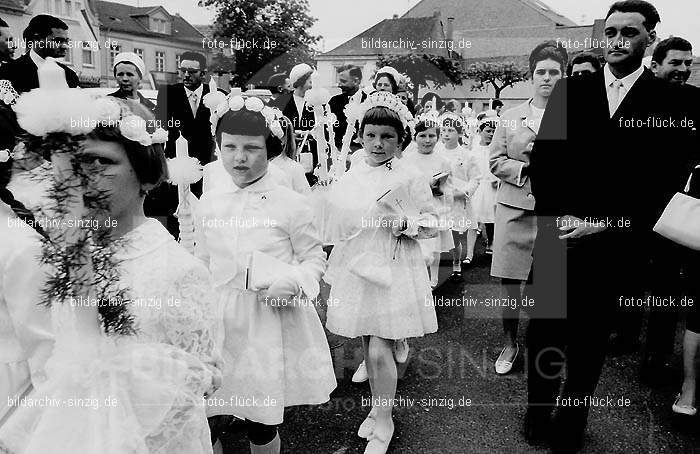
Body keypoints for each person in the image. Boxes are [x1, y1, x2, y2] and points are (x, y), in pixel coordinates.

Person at [0, 71, 221, 452]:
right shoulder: (64, 255)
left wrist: (113, 371)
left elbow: (200, 379)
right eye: (78, 162)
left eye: (102, 162)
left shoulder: (179, 270)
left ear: (146, 176)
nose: (85, 177)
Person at [526, 2, 695, 451]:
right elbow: (544, 161)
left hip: (614, 243)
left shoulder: (669, 101)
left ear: (650, 39)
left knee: (589, 338)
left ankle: (571, 421)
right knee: (545, 330)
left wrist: (605, 223)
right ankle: (538, 411)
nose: (618, 40)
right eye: (612, 31)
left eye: (630, 32)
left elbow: (667, 179)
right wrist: (561, 215)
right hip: (558, 232)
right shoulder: (570, 90)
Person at [195, 95, 336, 454]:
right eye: (229, 147)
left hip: (266, 318)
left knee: (260, 416)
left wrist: (294, 281)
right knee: (208, 413)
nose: (239, 157)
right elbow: (203, 259)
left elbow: (313, 258)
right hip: (220, 318)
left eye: (251, 148)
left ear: (269, 149)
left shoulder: (290, 203)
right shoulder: (209, 201)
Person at [323, 91, 438, 454]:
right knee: (363, 340)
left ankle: (385, 421)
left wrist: (403, 222)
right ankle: (378, 405)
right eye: (371, 135)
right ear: (359, 135)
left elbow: (433, 222)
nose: (377, 143)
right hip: (357, 263)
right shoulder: (353, 168)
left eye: (387, 136)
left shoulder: (410, 175)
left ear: (400, 138)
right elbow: (340, 215)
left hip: (395, 264)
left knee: (378, 349)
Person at [490, 40, 567, 376]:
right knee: (508, 283)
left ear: (563, 76)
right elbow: (494, 160)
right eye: (541, 72)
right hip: (513, 208)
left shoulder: (572, 116)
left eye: (554, 72)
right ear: (531, 76)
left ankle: (545, 344)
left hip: (553, 210)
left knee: (547, 283)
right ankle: (510, 342)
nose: (547, 78)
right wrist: (526, 168)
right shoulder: (510, 117)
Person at [639, 35, 700, 386]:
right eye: (676, 62)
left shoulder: (696, 101)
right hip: (635, 206)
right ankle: (626, 334)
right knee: (630, 277)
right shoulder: (639, 99)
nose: (683, 69)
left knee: (667, 286)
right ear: (656, 63)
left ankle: (657, 357)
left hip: (679, 212)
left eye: (688, 63)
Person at [152, 51, 217, 235]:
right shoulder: (167, 94)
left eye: (192, 71)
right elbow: (161, 130)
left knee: (205, 221)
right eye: (183, 70)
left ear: (203, 74)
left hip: (207, 168)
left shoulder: (216, 95)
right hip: (177, 168)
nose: (186, 75)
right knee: (179, 220)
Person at [403, 114, 454, 289]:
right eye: (422, 136)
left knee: (434, 244)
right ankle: (417, 278)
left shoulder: (443, 161)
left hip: (436, 205)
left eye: (431, 136)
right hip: (414, 207)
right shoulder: (407, 160)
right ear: (415, 137)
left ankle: (434, 278)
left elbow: (448, 187)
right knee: (418, 242)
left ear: (437, 137)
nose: (427, 140)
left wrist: (439, 189)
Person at [439, 113, 480, 273]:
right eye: (444, 130)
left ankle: (456, 262)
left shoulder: (467, 155)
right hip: (440, 199)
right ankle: (434, 268)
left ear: (459, 133)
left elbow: (475, 179)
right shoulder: (436, 152)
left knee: (455, 235)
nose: (446, 134)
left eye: (451, 130)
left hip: (457, 201)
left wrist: (464, 192)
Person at [0, 15, 78, 92]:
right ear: (37, 39)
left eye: (66, 41)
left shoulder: (70, 75)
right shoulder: (9, 71)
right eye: (58, 41)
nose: (65, 46)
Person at [269, 63, 318, 186]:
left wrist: (312, 134)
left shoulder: (316, 102)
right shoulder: (281, 101)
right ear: (300, 81)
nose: (312, 84)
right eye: (309, 80)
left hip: (310, 154)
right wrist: (290, 135)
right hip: (287, 152)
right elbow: (274, 126)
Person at [471, 117, 499, 254]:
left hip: (492, 186)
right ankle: (470, 250)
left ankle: (491, 242)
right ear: (480, 131)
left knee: (490, 217)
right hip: (477, 186)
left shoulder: (497, 149)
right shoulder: (474, 149)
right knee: (474, 215)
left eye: (494, 131)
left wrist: (497, 179)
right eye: (488, 131)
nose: (491, 134)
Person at [329, 65, 366, 152]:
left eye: (343, 81)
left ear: (356, 81)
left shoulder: (369, 102)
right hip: (337, 153)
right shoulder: (333, 101)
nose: (339, 85)